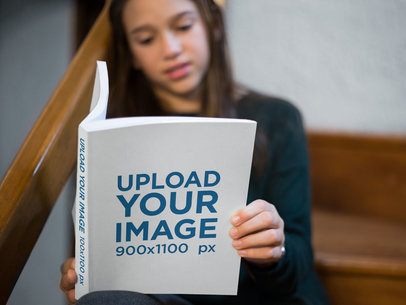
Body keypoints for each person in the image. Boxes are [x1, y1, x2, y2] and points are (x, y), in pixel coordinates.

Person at [60, 0, 329, 304]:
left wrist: (273, 248)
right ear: (131, 54)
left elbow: (299, 255)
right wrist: (87, 274)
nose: (171, 49)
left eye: (184, 26)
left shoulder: (277, 119)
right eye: (146, 39)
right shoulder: (111, 138)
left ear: (212, 25)